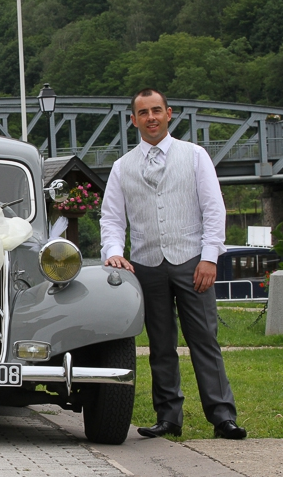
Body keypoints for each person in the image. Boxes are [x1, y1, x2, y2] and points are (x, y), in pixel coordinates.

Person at [100, 88, 246, 440]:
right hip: (146, 264)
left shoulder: (195, 156)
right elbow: (112, 218)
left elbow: (213, 209)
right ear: (133, 120)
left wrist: (210, 257)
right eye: (143, 113)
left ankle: (222, 416)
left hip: (192, 261)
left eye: (156, 111)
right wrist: (113, 251)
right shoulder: (122, 167)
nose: (151, 117)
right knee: (160, 344)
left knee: (204, 341)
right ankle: (168, 417)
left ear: (169, 114)